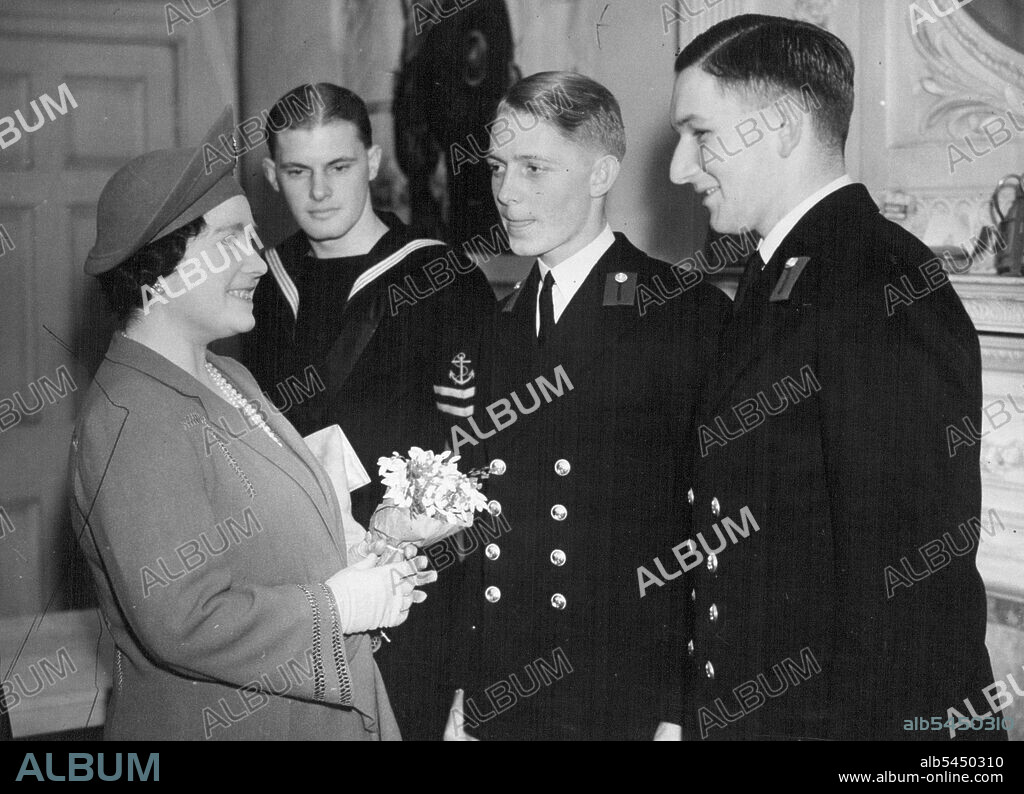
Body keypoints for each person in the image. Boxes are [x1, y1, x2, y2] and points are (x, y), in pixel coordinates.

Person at [670, 14, 1004, 740]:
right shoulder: (787, 271)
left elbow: (913, 596)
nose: (678, 168)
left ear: (782, 126)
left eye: (700, 134)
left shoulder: (878, 280)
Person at [70, 107, 436, 741]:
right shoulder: (133, 418)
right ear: (158, 271)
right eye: (231, 242)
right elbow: (184, 618)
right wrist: (339, 605)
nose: (261, 263)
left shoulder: (227, 376)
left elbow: (269, 535)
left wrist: (361, 555)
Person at [447, 71, 730, 741]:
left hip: (617, 701)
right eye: (497, 169)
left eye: (533, 168)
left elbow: (707, 536)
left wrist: (677, 710)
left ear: (601, 173)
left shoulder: (681, 314)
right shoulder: (494, 323)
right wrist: (464, 693)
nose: (506, 194)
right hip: (504, 697)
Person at [242, 83, 495, 740]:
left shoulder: (439, 277)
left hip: (411, 591)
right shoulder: (258, 286)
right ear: (272, 175)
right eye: (298, 171)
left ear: (374, 161)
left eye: (339, 167)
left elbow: (481, 460)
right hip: (297, 590)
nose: (319, 190)